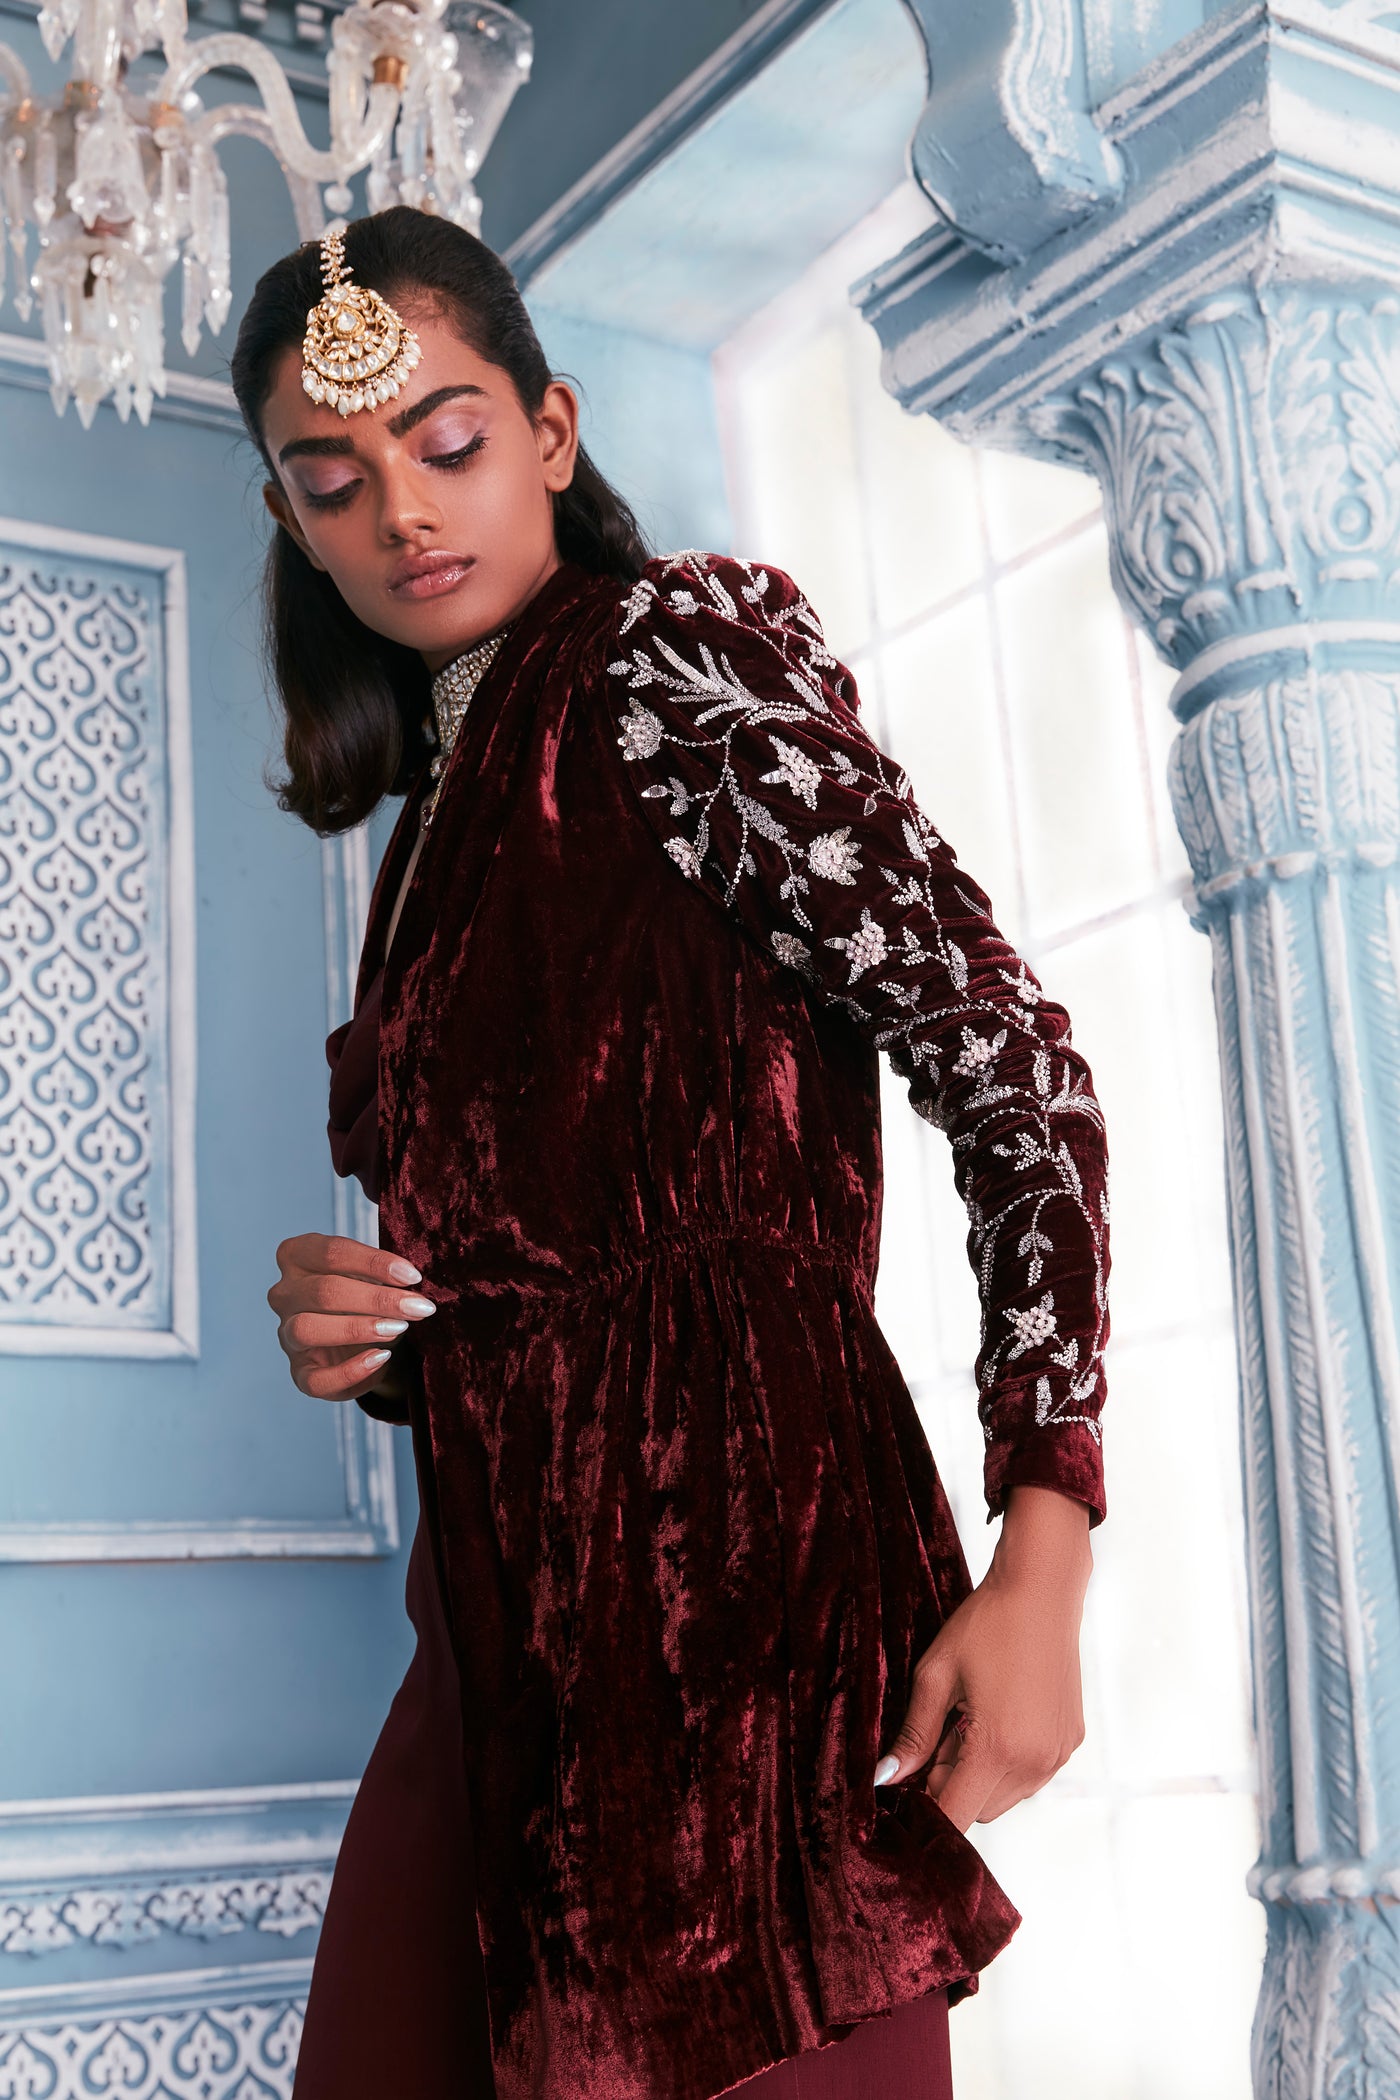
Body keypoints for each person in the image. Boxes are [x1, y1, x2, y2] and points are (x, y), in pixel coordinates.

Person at [244, 207, 1109, 2100]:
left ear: (551, 431)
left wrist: (1046, 1533)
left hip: (743, 1595)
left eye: (448, 440)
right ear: (295, 525)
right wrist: (383, 1340)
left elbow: (1014, 1064)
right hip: (496, 1615)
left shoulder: (666, 658)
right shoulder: (423, 835)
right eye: (334, 480)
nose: (403, 509)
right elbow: (546, 1244)